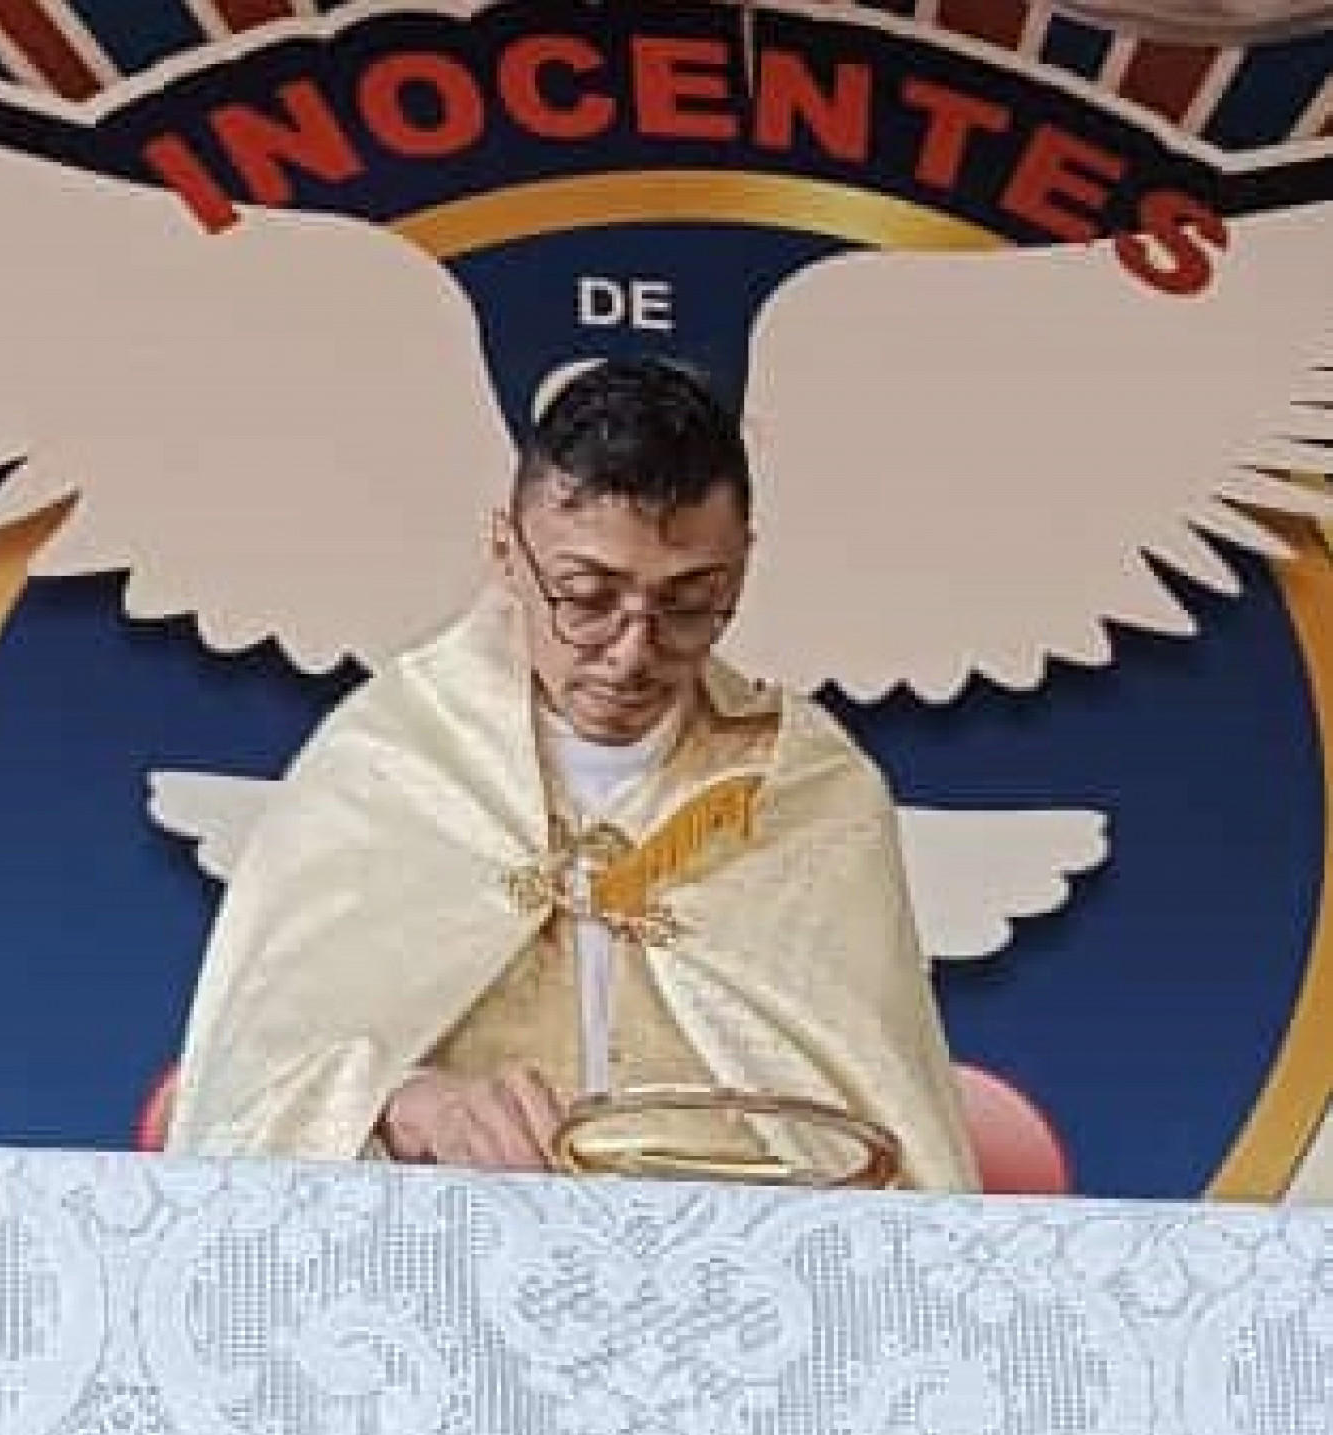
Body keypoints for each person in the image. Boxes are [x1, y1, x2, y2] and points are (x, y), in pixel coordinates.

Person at [166, 359, 979, 1191]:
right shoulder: (390, 762)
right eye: (587, 596)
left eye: (691, 603)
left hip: (736, 1272)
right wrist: (406, 1105)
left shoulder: (806, 787)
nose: (633, 653)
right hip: (453, 1260)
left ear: (743, 565)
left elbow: (892, 1140)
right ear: (505, 553)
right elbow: (251, 1091)